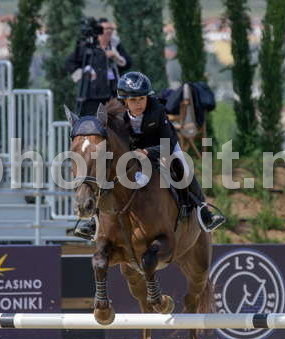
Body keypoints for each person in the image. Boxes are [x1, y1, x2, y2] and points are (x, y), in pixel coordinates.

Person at [74, 71, 226, 240]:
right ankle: (94, 221)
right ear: (125, 101)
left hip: (162, 146)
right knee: (106, 172)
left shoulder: (157, 110)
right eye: (133, 100)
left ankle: (204, 212)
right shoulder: (118, 117)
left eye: (142, 98)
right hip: (133, 151)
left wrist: (147, 152)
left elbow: (168, 143)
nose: (138, 104)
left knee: (183, 167)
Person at [65, 18, 131, 116]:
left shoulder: (115, 45)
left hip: (112, 94)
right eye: (105, 29)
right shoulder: (87, 46)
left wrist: (116, 57)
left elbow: (128, 64)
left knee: (114, 121)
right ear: (97, 31)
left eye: (111, 29)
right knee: (91, 122)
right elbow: (69, 63)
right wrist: (83, 74)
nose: (109, 31)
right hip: (90, 95)